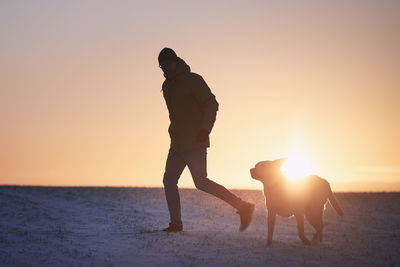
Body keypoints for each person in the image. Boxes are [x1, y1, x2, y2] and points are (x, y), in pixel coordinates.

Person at [158, 48, 255, 232]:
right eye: (162, 66)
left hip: (195, 141)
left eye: (169, 64)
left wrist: (204, 129)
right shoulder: (167, 86)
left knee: (201, 182)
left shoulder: (193, 80)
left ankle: (243, 206)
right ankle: (175, 224)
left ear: (176, 62)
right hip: (177, 144)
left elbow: (211, 104)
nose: (166, 69)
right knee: (169, 180)